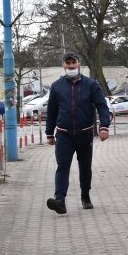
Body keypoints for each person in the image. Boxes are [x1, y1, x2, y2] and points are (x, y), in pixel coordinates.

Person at [45, 52, 110, 214]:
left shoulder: (91, 85)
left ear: (79, 64)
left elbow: (102, 106)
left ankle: (85, 196)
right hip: (64, 134)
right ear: (63, 65)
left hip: (85, 133)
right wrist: (49, 133)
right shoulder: (56, 86)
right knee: (62, 166)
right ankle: (60, 200)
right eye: (68, 63)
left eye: (74, 62)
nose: (71, 66)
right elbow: (51, 111)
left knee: (85, 167)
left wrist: (104, 126)